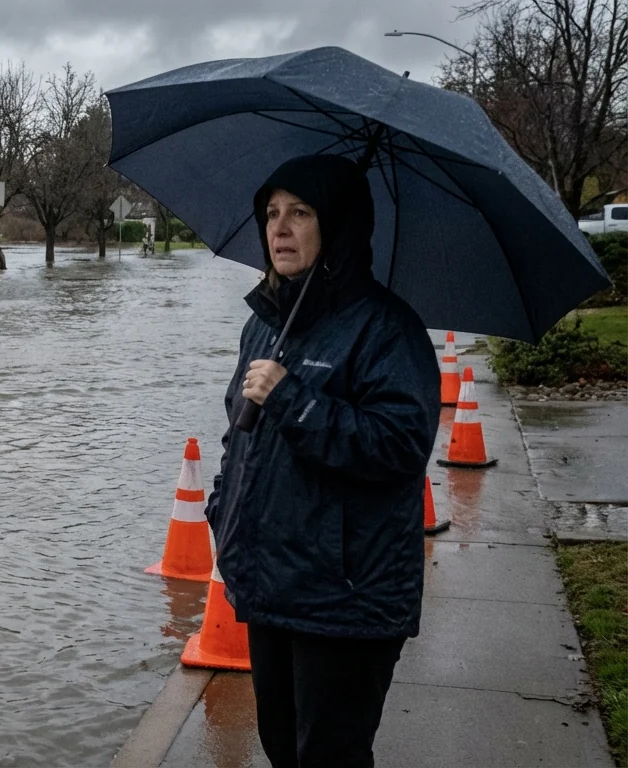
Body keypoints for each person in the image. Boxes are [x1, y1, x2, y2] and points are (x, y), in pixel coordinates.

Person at [204, 154, 441, 767]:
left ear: (336, 226)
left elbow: (399, 445)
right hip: (271, 585)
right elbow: (240, 436)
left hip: (346, 599)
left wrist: (293, 399)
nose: (279, 229)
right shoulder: (264, 325)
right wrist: (222, 509)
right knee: (282, 747)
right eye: (271, 213)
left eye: (301, 213)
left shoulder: (387, 329)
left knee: (330, 757)